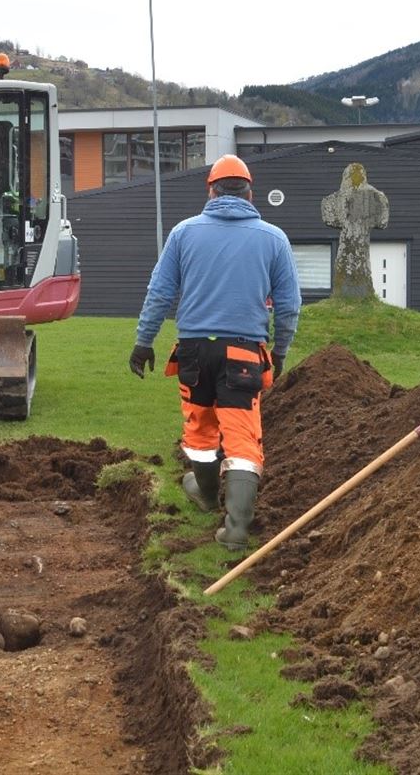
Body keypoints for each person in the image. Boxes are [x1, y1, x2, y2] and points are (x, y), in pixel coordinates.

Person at [128, 154, 301, 552]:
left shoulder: (184, 233)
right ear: (250, 193)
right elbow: (289, 305)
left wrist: (143, 342)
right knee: (241, 438)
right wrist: (281, 350)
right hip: (243, 353)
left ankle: (206, 494)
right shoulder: (273, 239)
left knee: (201, 432)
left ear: (210, 190)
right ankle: (236, 528)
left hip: (193, 352)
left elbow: (159, 293)